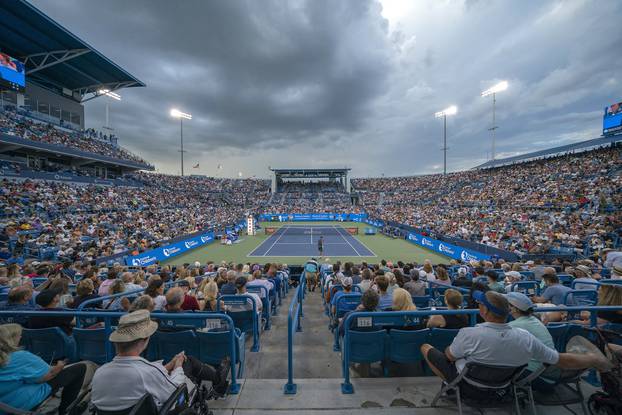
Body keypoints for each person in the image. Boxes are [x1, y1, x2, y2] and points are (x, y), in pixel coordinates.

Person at [420, 291, 612, 390]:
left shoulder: (469, 333)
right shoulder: (524, 336)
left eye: (479, 304)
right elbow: (559, 359)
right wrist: (592, 360)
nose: (478, 306)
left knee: (428, 348)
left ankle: (450, 387)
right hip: (504, 385)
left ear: (484, 311)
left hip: (469, 384)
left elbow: (450, 356)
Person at [90, 310, 231, 411]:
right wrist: (177, 367)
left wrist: (169, 366)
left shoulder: (100, 372)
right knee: (187, 362)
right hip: (166, 404)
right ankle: (218, 381)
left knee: (188, 361)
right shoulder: (146, 372)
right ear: (144, 341)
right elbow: (174, 389)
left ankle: (218, 380)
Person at [0, 324, 89, 415]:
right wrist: (59, 366)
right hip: (16, 405)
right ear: (11, 339)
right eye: (19, 335)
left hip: (4, 402)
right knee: (80, 369)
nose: (21, 337)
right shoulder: (21, 356)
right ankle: (66, 411)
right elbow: (50, 374)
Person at [505, 292, 556, 391]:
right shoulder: (534, 320)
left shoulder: (514, 325)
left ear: (514, 309)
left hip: (537, 377)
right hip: (548, 374)